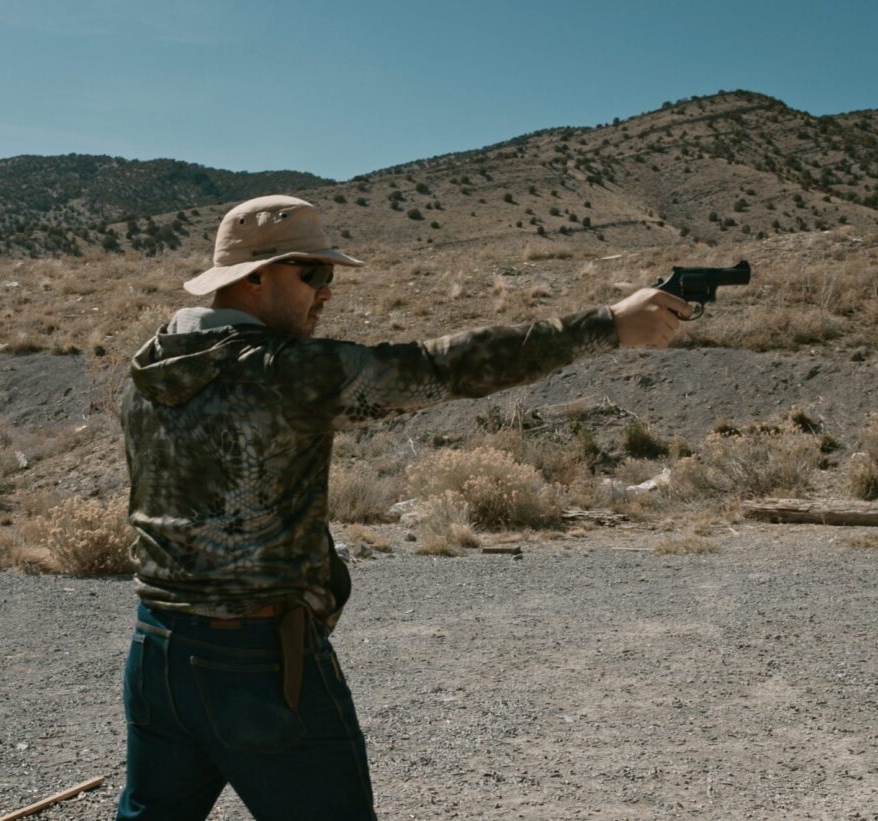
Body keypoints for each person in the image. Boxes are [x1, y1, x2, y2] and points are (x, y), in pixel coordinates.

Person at [115, 194, 689, 820]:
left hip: (156, 649)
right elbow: (443, 367)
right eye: (315, 274)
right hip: (255, 658)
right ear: (254, 277)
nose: (326, 292)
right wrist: (607, 325)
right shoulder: (284, 373)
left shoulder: (151, 372)